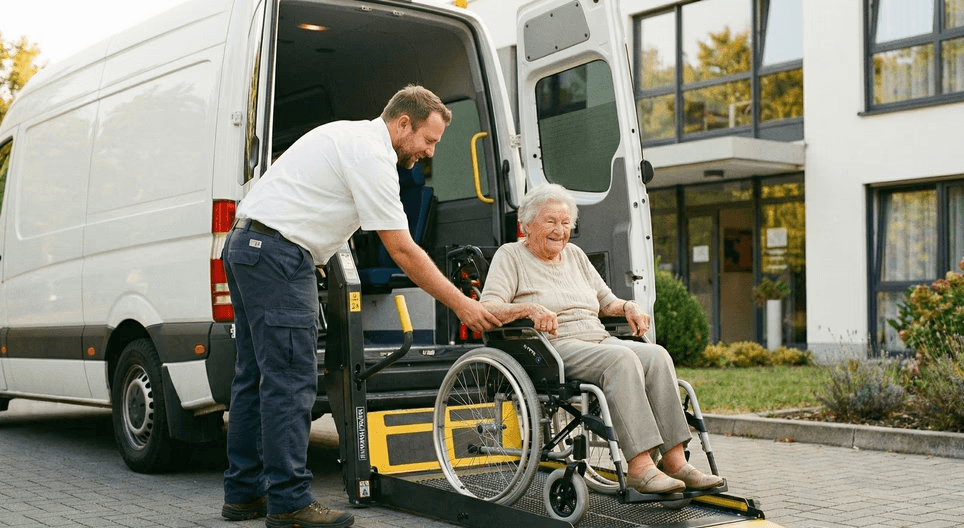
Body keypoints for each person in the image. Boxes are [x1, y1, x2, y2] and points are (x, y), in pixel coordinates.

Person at [220, 85, 502, 528]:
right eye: (428, 141)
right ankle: (290, 503)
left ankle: (244, 495)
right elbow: (402, 250)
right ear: (402, 123)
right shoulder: (371, 155)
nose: (428, 153)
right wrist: (462, 305)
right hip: (277, 255)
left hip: (249, 247)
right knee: (290, 384)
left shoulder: (349, 137)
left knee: (255, 378)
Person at [479, 184, 723, 495]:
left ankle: (675, 462)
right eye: (550, 221)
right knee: (621, 360)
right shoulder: (511, 255)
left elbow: (607, 302)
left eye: (566, 223)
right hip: (550, 346)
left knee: (657, 356)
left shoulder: (576, 256)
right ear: (527, 224)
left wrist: (628, 306)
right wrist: (528, 308)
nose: (560, 230)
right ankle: (640, 467)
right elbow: (487, 308)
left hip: (597, 337)